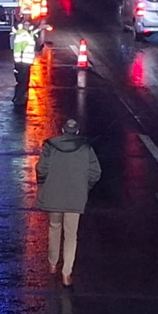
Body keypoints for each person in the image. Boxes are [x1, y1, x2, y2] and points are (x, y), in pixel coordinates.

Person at [36, 118, 101, 287]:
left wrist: (43, 184)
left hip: (54, 195)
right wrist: (84, 187)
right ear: (77, 132)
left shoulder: (50, 146)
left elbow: (41, 169)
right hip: (75, 197)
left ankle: (52, 263)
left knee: (54, 227)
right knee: (71, 235)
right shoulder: (86, 148)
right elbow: (95, 172)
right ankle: (66, 273)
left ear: (63, 131)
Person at [11, 20, 37, 105]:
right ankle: (18, 99)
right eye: (25, 24)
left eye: (28, 24)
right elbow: (18, 49)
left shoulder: (28, 33)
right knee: (23, 82)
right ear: (22, 25)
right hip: (22, 62)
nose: (27, 26)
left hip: (27, 61)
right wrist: (18, 63)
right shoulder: (22, 34)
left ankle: (18, 98)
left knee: (23, 81)